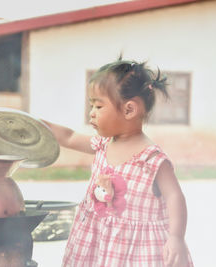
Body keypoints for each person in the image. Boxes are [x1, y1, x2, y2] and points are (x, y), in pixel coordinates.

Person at [43, 59, 193, 267]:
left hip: (136, 252)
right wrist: (36, 126)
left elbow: (175, 197)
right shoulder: (102, 144)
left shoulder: (152, 160)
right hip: (97, 244)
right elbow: (68, 137)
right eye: (91, 105)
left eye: (98, 105)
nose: (91, 113)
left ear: (129, 110)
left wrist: (176, 237)